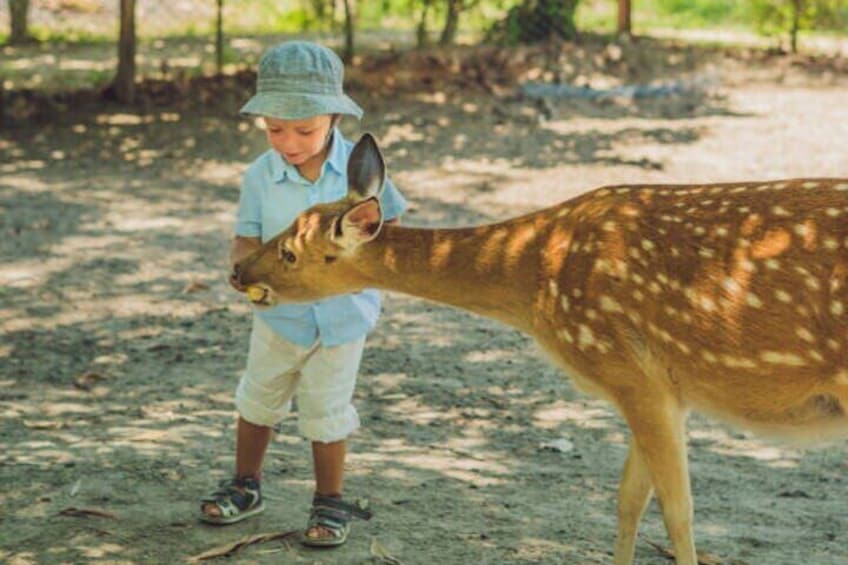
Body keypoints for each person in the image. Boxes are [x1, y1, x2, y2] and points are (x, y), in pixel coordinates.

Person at [199, 40, 408, 548]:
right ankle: (247, 485)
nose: (288, 141)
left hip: (342, 318)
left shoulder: (360, 175)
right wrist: (240, 267)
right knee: (258, 398)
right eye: (275, 129)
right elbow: (246, 238)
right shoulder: (260, 176)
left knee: (326, 408)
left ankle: (329, 501)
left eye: (304, 129)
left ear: (335, 117)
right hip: (278, 315)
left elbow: (391, 227)